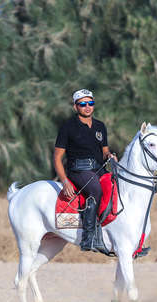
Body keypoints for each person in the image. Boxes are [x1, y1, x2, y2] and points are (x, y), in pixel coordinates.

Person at [53, 89, 116, 253]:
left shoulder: (100, 126)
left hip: (99, 168)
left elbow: (104, 150)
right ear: (75, 107)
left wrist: (110, 155)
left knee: (117, 187)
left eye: (91, 103)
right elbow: (57, 157)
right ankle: (89, 237)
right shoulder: (67, 127)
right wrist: (64, 180)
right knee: (96, 189)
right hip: (78, 170)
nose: (87, 107)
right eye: (83, 104)